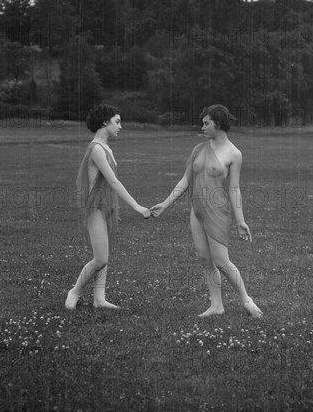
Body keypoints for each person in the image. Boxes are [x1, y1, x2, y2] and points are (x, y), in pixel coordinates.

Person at [150, 104, 263, 318]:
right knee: (204, 259)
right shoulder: (198, 149)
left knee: (221, 261)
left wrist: (240, 221)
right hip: (197, 210)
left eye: (206, 122)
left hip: (217, 211)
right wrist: (165, 204)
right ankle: (216, 305)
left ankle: (246, 299)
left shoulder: (234, 153)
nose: (202, 126)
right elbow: (186, 180)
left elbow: (234, 188)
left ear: (218, 124)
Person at [65, 104, 151, 310]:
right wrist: (137, 206)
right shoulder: (96, 149)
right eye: (117, 121)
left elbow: (108, 186)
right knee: (100, 258)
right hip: (95, 208)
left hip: (106, 206)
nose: (120, 126)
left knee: (104, 255)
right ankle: (74, 291)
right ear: (105, 122)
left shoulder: (106, 148)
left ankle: (99, 299)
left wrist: (113, 209)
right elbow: (113, 182)